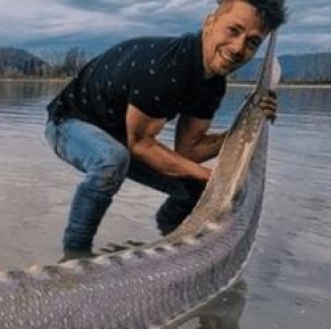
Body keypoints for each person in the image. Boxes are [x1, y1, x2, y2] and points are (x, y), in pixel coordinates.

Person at [45, 0, 287, 260]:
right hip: (69, 123)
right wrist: (215, 178)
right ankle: (74, 257)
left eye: (252, 42)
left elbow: (189, 150)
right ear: (210, 22)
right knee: (111, 160)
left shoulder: (213, 85)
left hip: (123, 138)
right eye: (233, 30)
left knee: (193, 187)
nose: (238, 48)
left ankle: (169, 238)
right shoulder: (164, 66)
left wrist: (249, 127)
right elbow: (140, 145)